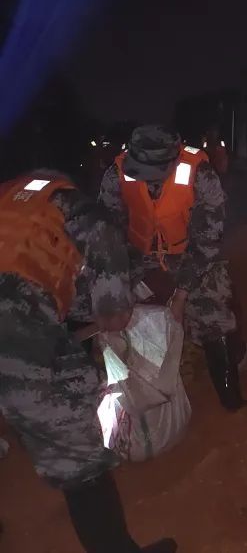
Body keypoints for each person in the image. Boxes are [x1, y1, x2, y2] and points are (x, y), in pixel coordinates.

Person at [0, 171, 177, 552]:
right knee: (79, 456)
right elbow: (105, 242)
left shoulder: (15, 216)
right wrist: (115, 309)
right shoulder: (64, 201)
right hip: (12, 333)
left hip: (18, 324)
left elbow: (55, 285)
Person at [99, 125, 247, 412]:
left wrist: (182, 293)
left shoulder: (201, 173)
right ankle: (139, 389)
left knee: (213, 313)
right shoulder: (116, 173)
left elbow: (208, 237)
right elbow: (108, 230)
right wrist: (119, 279)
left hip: (191, 249)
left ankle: (231, 397)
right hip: (140, 252)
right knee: (120, 308)